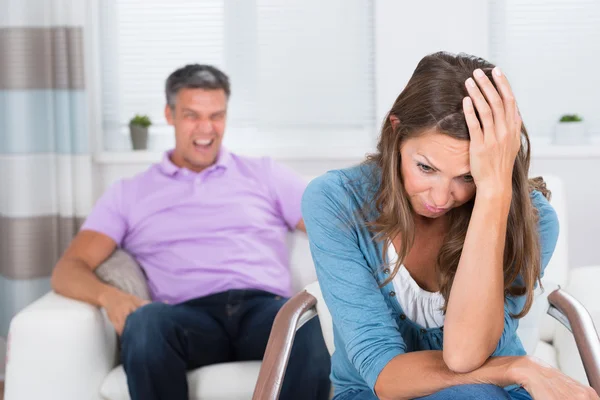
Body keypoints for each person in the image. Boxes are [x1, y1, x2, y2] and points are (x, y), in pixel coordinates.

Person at [301, 52, 599, 400]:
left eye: (468, 176)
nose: (442, 197)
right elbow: (383, 373)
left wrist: (494, 194)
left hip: (488, 393)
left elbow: (465, 354)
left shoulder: (533, 220)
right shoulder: (336, 200)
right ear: (396, 132)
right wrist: (515, 367)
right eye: (426, 167)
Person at [51, 64, 331, 400]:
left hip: (263, 310)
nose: (206, 128)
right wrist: (109, 297)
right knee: (145, 322)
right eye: (192, 115)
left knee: (304, 320)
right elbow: (68, 269)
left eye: (216, 115)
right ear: (169, 115)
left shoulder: (264, 174)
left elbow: (336, 229)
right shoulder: (128, 193)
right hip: (184, 318)